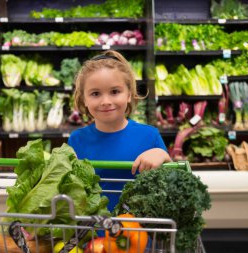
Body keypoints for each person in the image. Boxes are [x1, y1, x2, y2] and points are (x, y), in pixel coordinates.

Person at [68, 50, 171, 211]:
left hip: (140, 232)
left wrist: (162, 155)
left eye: (115, 92)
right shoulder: (76, 140)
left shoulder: (149, 136)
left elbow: (171, 182)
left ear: (129, 94)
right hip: (91, 231)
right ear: (84, 100)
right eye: (95, 94)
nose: (106, 101)